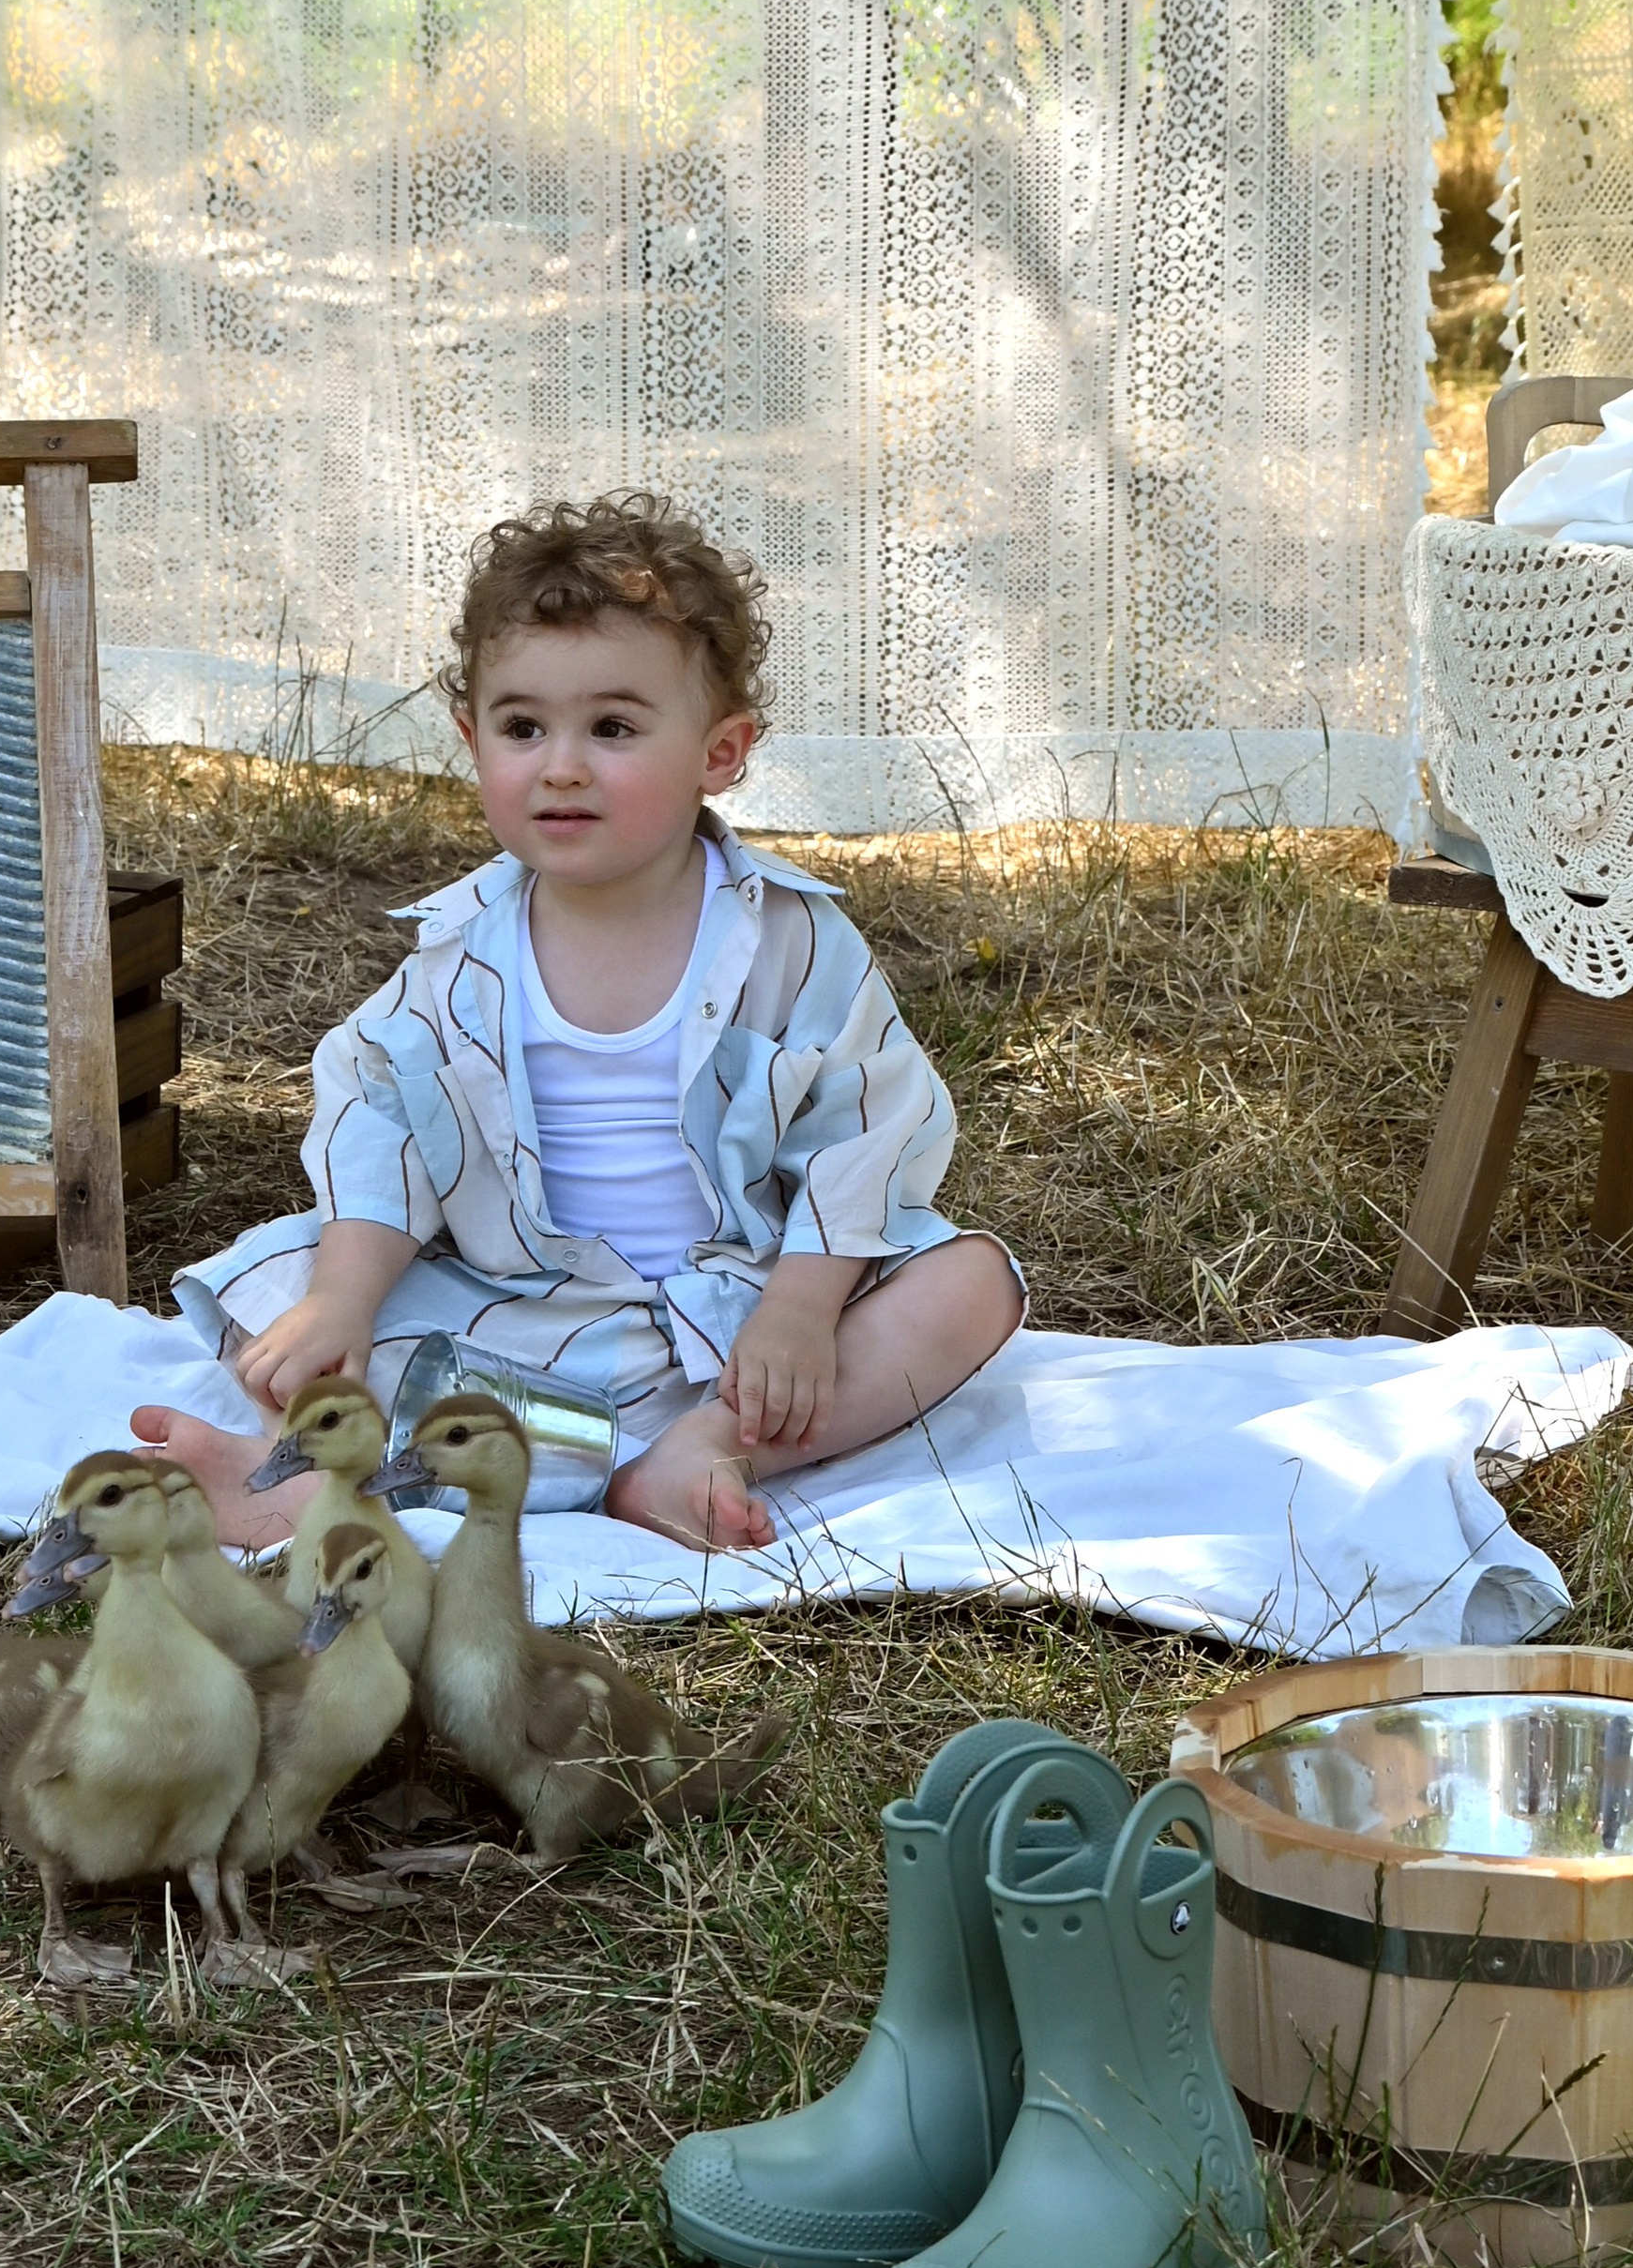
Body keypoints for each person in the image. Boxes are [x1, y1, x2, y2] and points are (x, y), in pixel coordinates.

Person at [135, 494, 1024, 1550]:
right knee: (294, 1300)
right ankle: (333, 1478)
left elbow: (864, 1134)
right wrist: (340, 1300)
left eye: (611, 728)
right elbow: (387, 1130)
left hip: (734, 1310)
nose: (559, 765)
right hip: (516, 1301)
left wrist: (796, 1310)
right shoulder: (461, 951)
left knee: (970, 1285)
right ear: (472, 742)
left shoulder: (789, 942)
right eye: (522, 728)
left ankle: (712, 1445)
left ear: (719, 752)